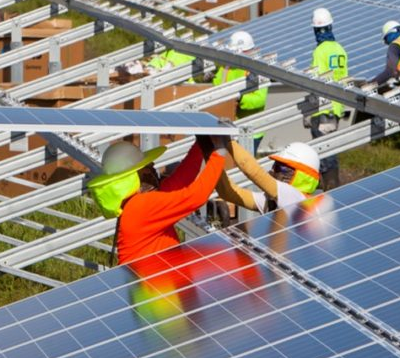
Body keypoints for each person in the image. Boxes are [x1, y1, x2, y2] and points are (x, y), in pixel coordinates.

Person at [87, 139, 227, 264]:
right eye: (148, 168)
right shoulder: (142, 206)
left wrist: (202, 143)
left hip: (153, 285)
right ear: (133, 178)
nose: (153, 170)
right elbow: (196, 197)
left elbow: (179, 181)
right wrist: (219, 154)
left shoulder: (137, 203)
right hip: (151, 288)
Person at [216, 140, 321, 215]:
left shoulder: (296, 199)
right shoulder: (277, 200)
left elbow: (251, 170)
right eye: (275, 165)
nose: (272, 170)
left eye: (281, 168)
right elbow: (228, 192)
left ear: (299, 176)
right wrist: (211, 152)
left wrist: (227, 140)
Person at [309, 7, 347, 188]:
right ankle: (332, 184)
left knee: (324, 150)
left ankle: (331, 187)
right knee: (331, 147)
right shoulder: (340, 49)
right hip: (337, 107)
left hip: (323, 106)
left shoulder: (320, 51)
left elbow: (315, 78)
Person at [213, 30, 267, 152]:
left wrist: (240, 98)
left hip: (250, 130)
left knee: (244, 167)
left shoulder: (257, 69)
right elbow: (216, 86)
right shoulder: (227, 67)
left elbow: (260, 99)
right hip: (228, 126)